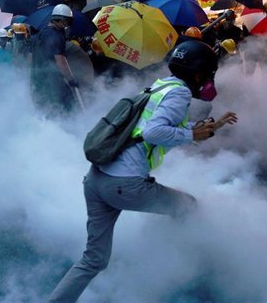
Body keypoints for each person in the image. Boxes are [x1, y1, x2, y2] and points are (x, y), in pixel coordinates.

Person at [48, 39, 238, 302]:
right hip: (125, 185)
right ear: (199, 73)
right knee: (188, 206)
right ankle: (192, 264)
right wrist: (192, 132)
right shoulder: (180, 92)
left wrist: (207, 127)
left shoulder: (161, 85)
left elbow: (156, 125)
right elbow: (153, 131)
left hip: (96, 181)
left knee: (93, 260)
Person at [30, 4, 79, 116]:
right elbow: (60, 61)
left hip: (38, 79)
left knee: (46, 111)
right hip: (52, 82)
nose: (67, 25)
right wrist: (71, 79)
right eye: (67, 22)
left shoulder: (40, 34)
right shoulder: (55, 36)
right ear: (62, 20)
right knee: (66, 108)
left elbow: (31, 57)